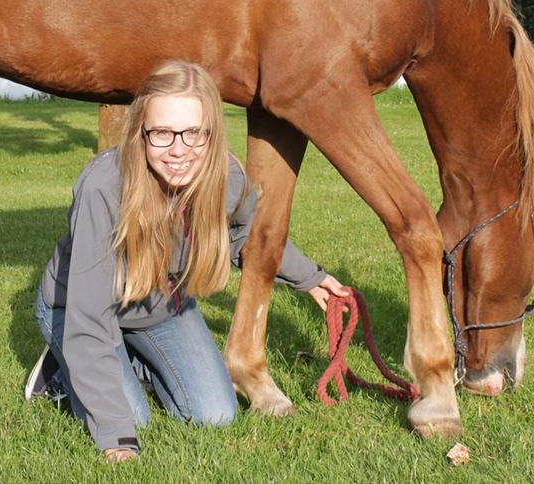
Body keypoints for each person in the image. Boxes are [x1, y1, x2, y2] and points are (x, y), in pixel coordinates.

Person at [27, 60, 348, 462]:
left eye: (194, 133)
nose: (179, 150)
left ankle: (131, 362)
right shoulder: (104, 188)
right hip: (81, 309)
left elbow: (244, 236)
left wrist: (309, 277)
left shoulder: (226, 178)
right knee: (132, 420)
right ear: (140, 132)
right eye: (162, 133)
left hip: (160, 304)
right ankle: (60, 369)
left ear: (211, 133)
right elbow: (89, 318)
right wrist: (116, 438)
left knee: (215, 415)